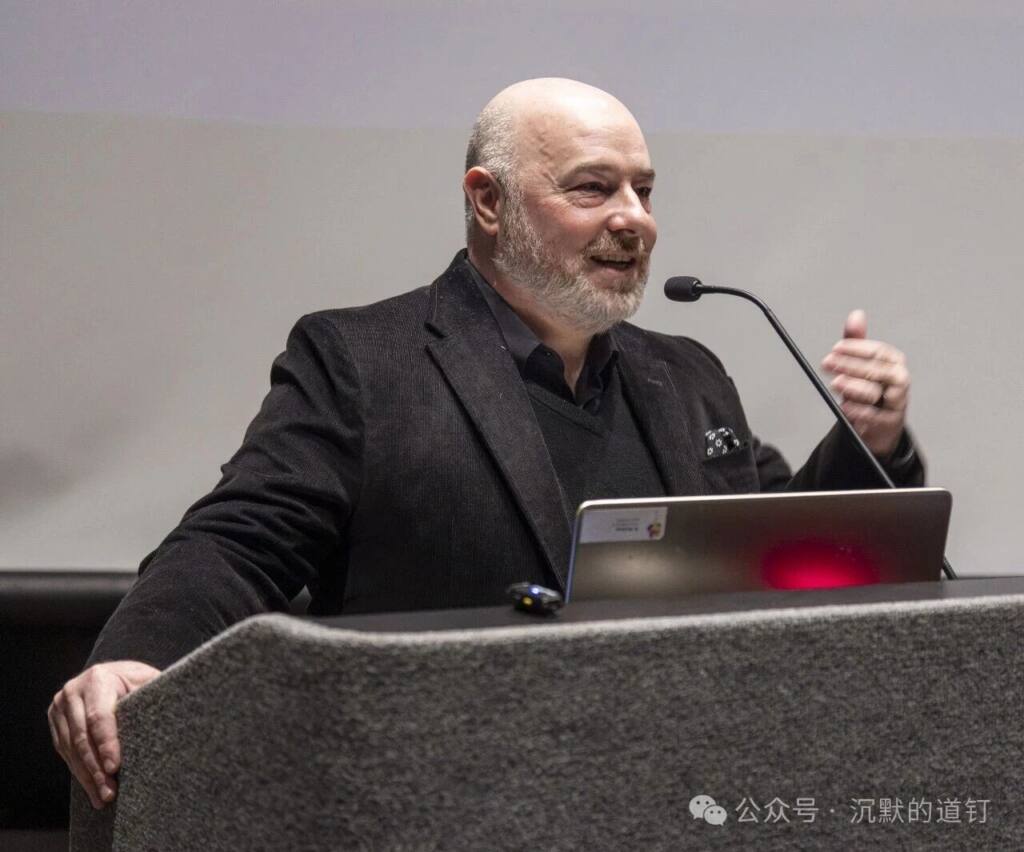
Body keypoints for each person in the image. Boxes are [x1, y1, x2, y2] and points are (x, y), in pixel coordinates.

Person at [49, 78, 921, 809]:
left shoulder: (686, 372)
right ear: (488, 200)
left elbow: (771, 542)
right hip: (447, 793)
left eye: (644, 191)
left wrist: (867, 441)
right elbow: (241, 539)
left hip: (678, 790)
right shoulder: (364, 362)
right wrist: (135, 658)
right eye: (593, 188)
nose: (635, 220)